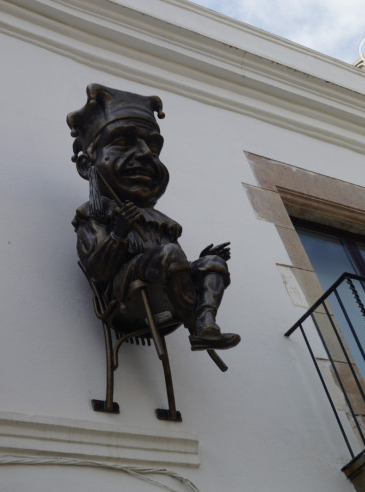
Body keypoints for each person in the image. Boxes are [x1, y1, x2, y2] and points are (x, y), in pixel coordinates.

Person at [69, 84, 240, 351]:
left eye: (152, 146)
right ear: (85, 165)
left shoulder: (158, 219)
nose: (145, 153)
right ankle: (195, 327)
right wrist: (119, 233)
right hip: (124, 296)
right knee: (170, 253)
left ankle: (206, 323)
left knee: (213, 262)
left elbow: (174, 262)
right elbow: (97, 270)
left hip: (160, 289)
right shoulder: (94, 213)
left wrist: (200, 262)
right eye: (122, 142)